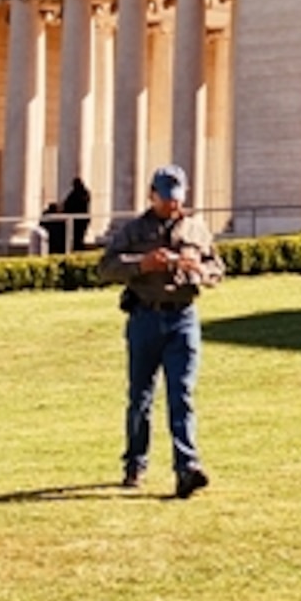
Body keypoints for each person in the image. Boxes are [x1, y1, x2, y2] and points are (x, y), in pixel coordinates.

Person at [96, 165, 222, 497]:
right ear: (152, 195)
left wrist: (200, 271)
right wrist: (141, 265)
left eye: (177, 200)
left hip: (183, 319)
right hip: (145, 318)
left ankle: (187, 468)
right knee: (141, 396)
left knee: (182, 394)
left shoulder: (196, 229)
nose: (172, 206)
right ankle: (135, 462)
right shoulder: (134, 231)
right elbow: (105, 268)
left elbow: (217, 269)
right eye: (166, 200)